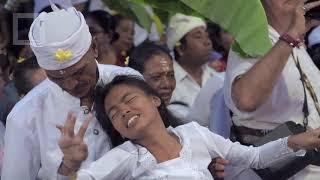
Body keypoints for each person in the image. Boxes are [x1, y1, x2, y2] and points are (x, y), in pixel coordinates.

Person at [56, 75, 320, 179]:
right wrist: (70, 166)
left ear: (155, 100)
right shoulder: (125, 157)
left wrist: (301, 141)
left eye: (129, 100)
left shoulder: (194, 133)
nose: (123, 110)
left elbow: (255, 157)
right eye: (113, 113)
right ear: (118, 129)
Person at [1, 4, 140, 180]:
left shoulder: (130, 83)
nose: (71, 83)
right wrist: (67, 168)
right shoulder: (24, 116)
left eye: (79, 72)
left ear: (94, 47)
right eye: (56, 77)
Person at [224, 0, 320, 179]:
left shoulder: (298, 44)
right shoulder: (254, 37)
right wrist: (290, 36)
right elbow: (246, 98)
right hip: (277, 171)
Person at [166, 13, 224, 119]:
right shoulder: (167, 83)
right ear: (180, 48)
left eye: (207, 36)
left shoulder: (217, 77)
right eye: (198, 37)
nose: (207, 42)